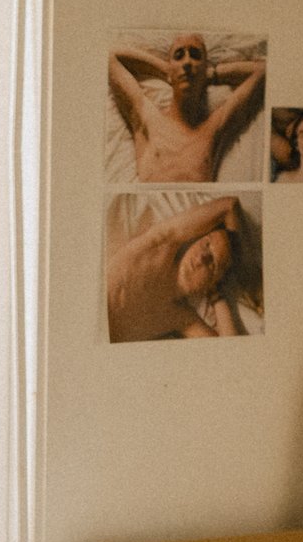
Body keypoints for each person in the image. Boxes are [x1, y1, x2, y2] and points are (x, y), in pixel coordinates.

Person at [106, 33, 267, 184]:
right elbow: (111, 58)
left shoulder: (213, 128)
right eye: (179, 55)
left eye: (195, 55)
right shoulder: (147, 118)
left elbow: (263, 70)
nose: (187, 62)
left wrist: (210, 75)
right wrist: (167, 71)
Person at [105, 192, 262, 342]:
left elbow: (227, 350)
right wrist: (243, 261)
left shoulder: (178, 317)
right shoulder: (161, 244)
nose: (202, 257)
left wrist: (218, 298)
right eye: (206, 244)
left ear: (212, 283)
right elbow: (229, 205)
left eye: (212, 263)